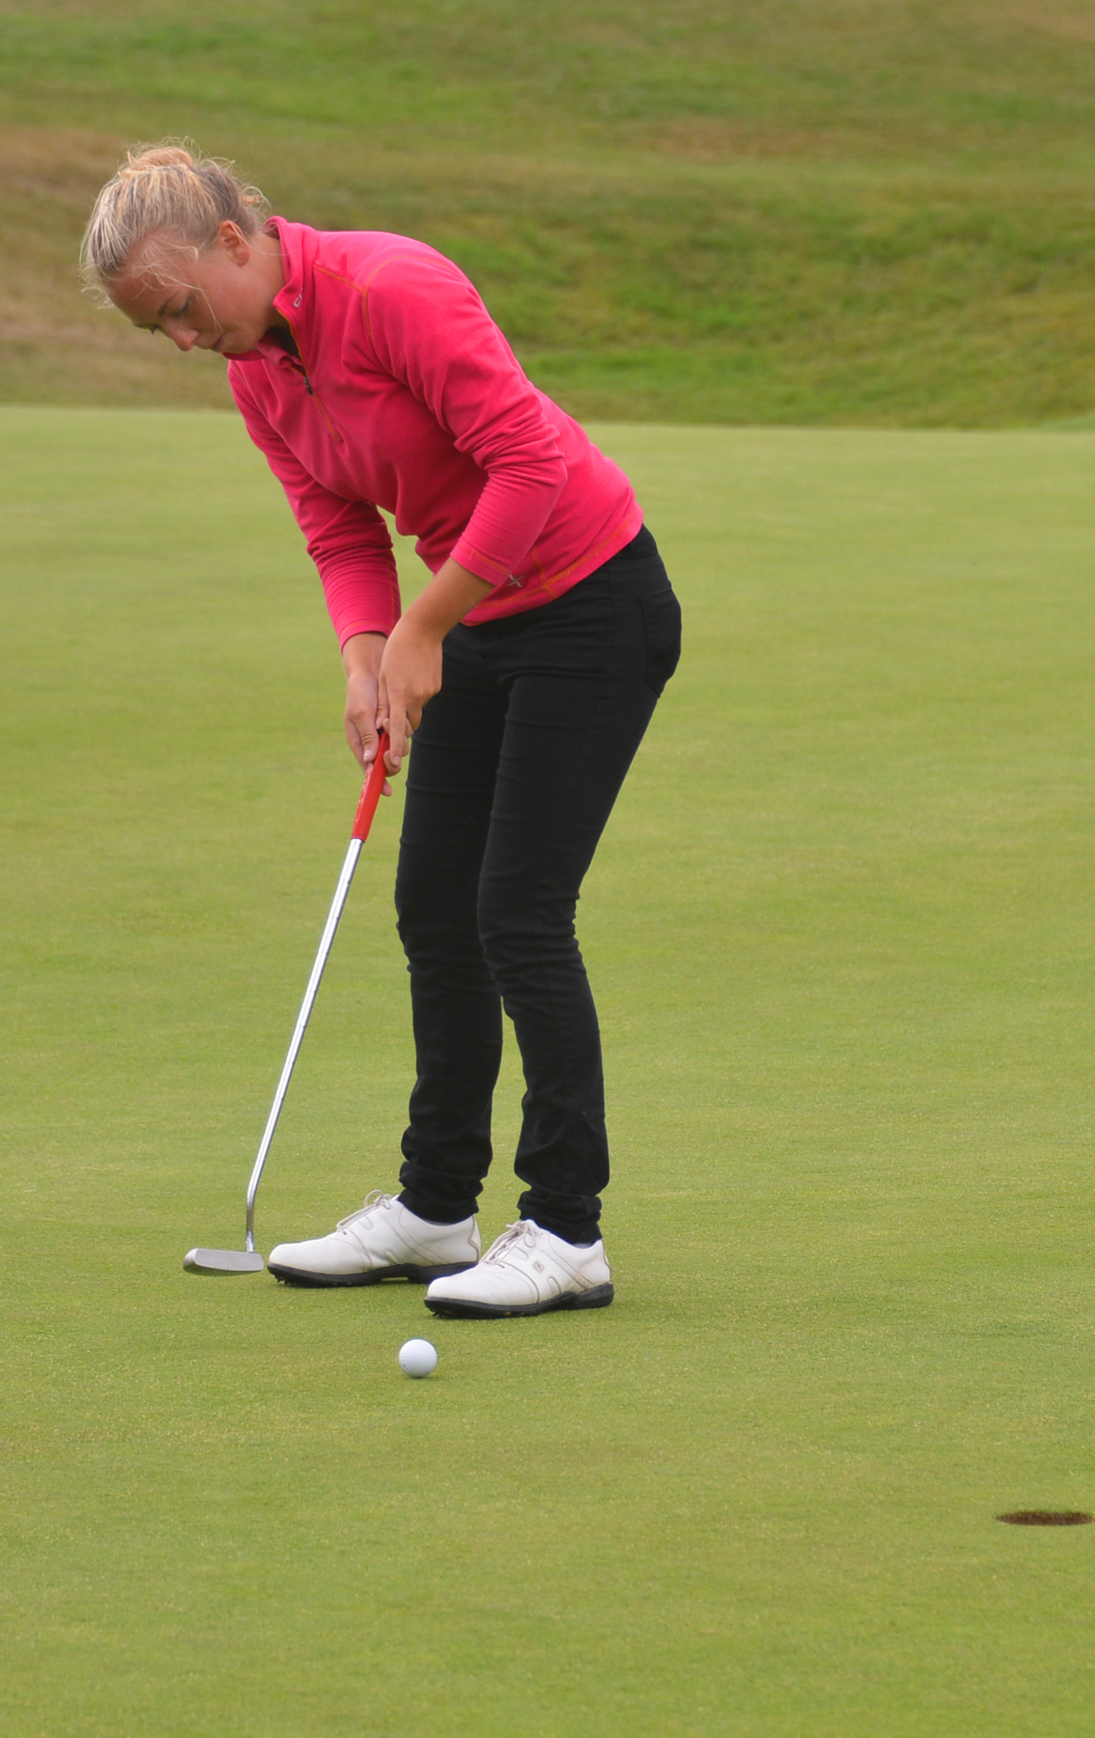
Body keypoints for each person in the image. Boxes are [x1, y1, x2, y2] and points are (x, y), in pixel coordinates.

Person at [82, 144, 681, 1319]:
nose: (186, 341)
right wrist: (369, 654)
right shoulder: (260, 373)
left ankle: (566, 1229)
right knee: (433, 909)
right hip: (473, 614)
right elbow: (338, 527)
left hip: (593, 604)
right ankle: (435, 1207)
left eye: (183, 309)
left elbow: (532, 460)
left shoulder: (391, 287)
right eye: (159, 331)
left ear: (235, 245)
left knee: (517, 910)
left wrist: (424, 630)